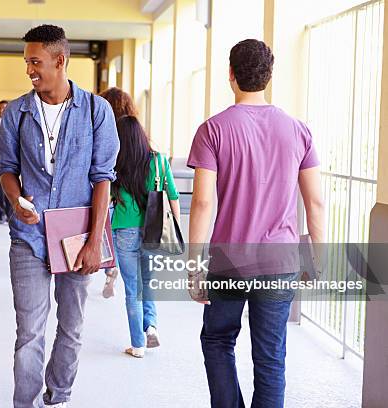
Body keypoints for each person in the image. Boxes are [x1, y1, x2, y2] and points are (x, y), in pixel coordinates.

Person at [187, 39, 324, 408]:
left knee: (217, 341)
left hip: (228, 261)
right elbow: (316, 202)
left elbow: (202, 203)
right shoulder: (298, 131)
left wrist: (194, 267)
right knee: (270, 358)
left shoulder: (212, 130)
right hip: (280, 263)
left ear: (230, 75)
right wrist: (317, 258)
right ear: (269, 77)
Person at [0, 24, 119, 408]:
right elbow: (7, 168)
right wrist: (16, 201)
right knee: (29, 332)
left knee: (72, 327)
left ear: (59, 60)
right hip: (29, 237)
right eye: (26, 63)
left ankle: (60, 393)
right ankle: (26, 403)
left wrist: (94, 242)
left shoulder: (97, 111)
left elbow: (103, 178)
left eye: (35, 62)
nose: (29, 70)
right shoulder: (17, 111)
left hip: (76, 237)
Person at [111, 115, 180, 358]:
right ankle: (151, 326)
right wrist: (175, 227)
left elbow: (104, 198)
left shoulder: (115, 164)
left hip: (124, 230)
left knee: (132, 288)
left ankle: (137, 344)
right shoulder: (159, 161)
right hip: (153, 229)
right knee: (148, 283)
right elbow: (173, 196)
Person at [98, 87, 139, 298]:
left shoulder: (102, 133)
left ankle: (109, 268)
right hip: (129, 202)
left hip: (106, 196)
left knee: (106, 233)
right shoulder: (133, 134)